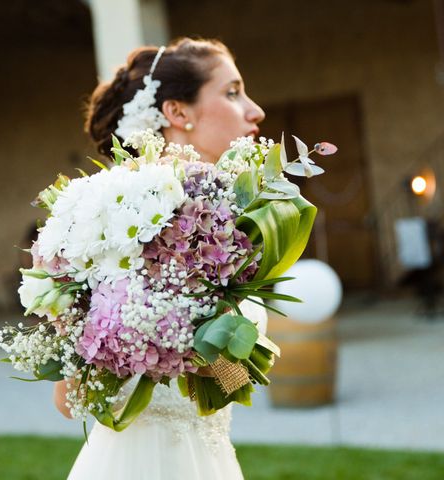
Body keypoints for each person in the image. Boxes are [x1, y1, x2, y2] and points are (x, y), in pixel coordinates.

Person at [56, 37, 267, 480]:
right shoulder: (109, 219)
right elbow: (69, 399)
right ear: (177, 113)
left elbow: (231, 381)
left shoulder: (236, 224)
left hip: (209, 457)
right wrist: (68, 321)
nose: (254, 110)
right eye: (231, 92)